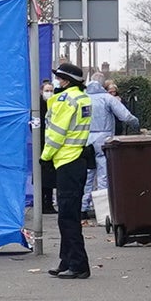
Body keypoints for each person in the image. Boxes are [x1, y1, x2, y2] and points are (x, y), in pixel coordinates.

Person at [38, 63, 102, 278]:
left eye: (58, 78)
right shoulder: (82, 97)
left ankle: (78, 265)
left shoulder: (66, 100)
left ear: (65, 80)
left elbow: (56, 132)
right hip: (77, 159)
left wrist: (45, 156)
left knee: (67, 217)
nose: (55, 82)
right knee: (69, 215)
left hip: (66, 160)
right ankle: (66, 261)